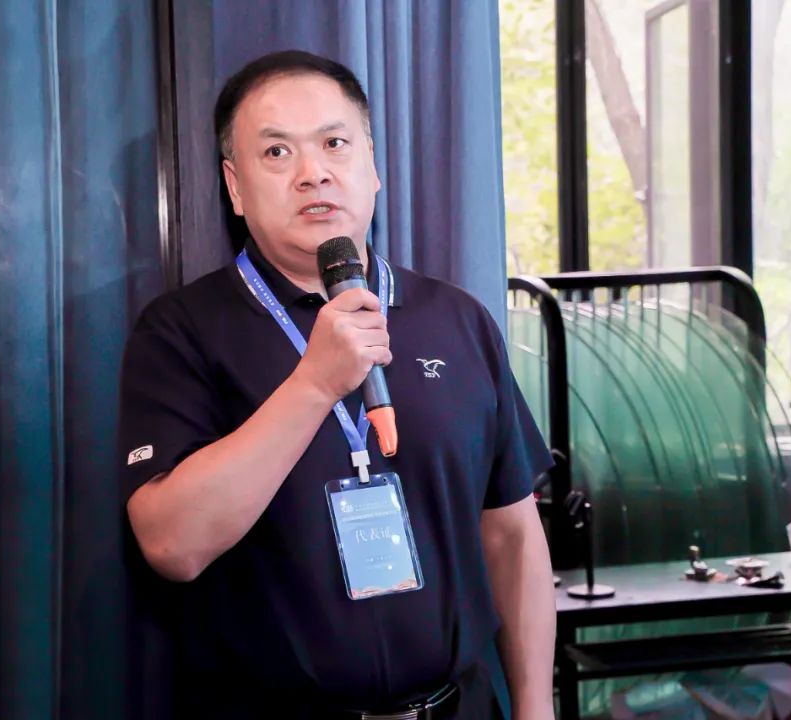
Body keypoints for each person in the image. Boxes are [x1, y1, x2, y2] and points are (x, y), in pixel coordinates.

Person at [120, 50, 556, 720]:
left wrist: (534, 707)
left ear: (372, 165)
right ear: (235, 187)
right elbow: (171, 545)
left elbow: (512, 537)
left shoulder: (457, 319)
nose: (313, 173)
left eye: (334, 143)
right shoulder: (182, 332)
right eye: (277, 153)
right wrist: (314, 383)